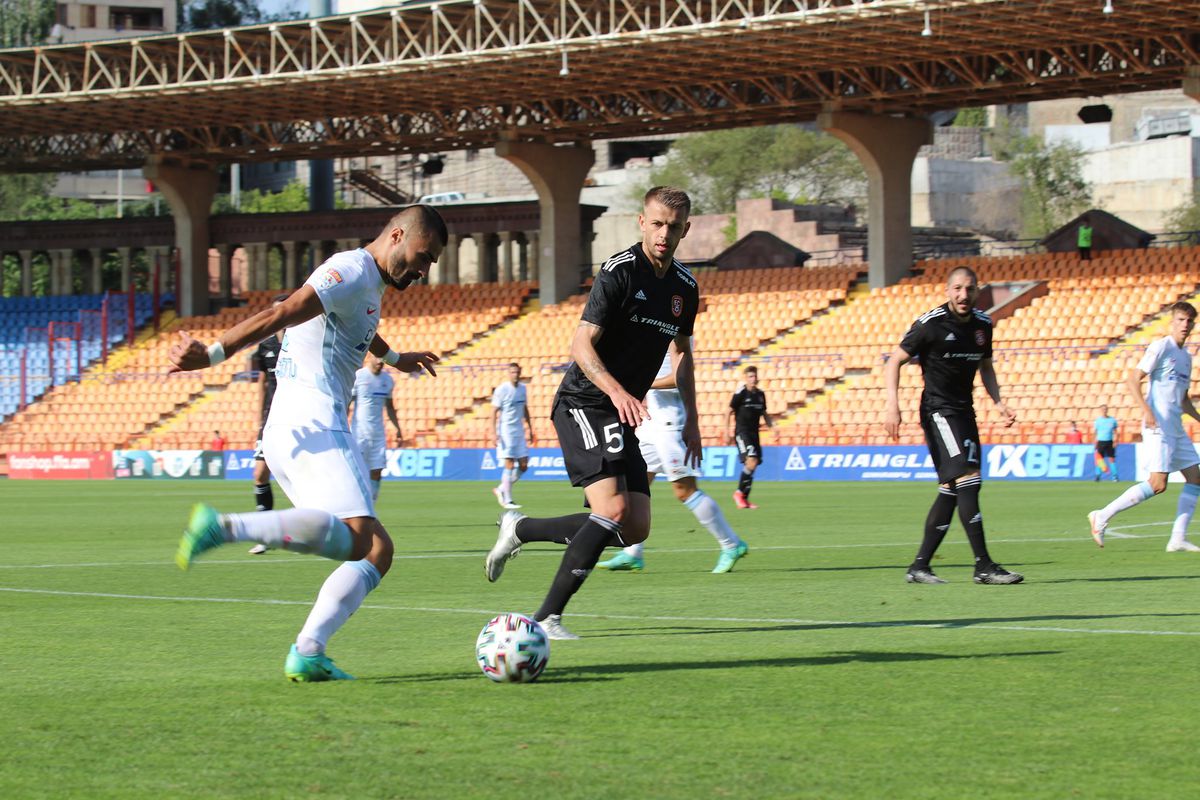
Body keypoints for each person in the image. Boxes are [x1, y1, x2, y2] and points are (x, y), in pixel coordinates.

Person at [169, 205, 447, 681]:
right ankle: (225, 527)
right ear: (397, 235)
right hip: (313, 419)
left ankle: (309, 651)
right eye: (424, 256)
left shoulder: (370, 285)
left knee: (378, 550)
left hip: (299, 425)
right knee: (359, 539)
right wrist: (212, 354)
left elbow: (362, 329)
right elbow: (282, 312)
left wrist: (397, 358)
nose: (424, 270)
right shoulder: (348, 270)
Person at [482, 186, 701, 640]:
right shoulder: (619, 272)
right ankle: (545, 619)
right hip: (586, 400)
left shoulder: (685, 287)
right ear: (642, 222)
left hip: (624, 410)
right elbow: (580, 345)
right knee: (613, 509)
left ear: (686, 230)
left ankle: (520, 527)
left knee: (633, 528)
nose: (664, 234)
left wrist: (693, 422)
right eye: (657, 223)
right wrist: (619, 392)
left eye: (674, 227)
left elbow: (683, 355)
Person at [884, 265, 1023, 585]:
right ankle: (983, 566)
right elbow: (894, 361)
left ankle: (919, 566)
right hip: (937, 411)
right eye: (957, 289)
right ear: (948, 291)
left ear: (977, 292)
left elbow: (985, 367)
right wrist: (893, 406)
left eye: (969, 289)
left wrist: (999, 403)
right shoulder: (929, 324)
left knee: (951, 488)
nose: (963, 295)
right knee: (969, 477)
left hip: (964, 411)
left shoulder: (983, 325)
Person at [597, 339, 749, 574]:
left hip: (671, 423)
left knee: (685, 491)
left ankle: (731, 544)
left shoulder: (676, 333)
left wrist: (643, 383)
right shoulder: (658, 324)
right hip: (651, 423)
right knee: (635, 485)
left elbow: (680, 379)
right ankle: (632, 553)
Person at [1088, 302, 1200, 552]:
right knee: (1158, 484)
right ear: (1172, 322)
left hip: (1176, 428)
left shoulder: (1186, 358)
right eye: (1180, 320)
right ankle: (1102, 515)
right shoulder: (1161, 347)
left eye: (1189, 321)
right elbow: (1132, 379)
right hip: (1158, 426)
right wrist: (1147, 411)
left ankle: (1178, 538)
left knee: (1195, 478)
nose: (1185, 325)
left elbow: (1182, 399)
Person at [247, 293, 289, 556]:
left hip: (298, 417)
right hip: (271, 419)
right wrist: (259, 418)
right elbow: (263, 383)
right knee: (260, 474)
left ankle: (312, 531)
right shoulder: (266, 346)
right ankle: (267, 535)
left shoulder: (303, 343)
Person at [348, 355, 402, 501]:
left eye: (382, 360)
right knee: (357, 471)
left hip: (378, 433)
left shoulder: (387, 380)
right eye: (377, 359)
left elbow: (390, 407)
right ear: (370, 357)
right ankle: (355, 507)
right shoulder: (359, 376)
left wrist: (398, 428)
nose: (380, 362)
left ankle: (370, 510)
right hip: (359, 433)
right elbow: (347, 403)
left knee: (377, 472)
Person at [491, 362, 535, 510]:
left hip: (519, 430)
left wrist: (530, 428)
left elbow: (525, 409)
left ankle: (501, 488)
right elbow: (493, 412)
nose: (515, 375)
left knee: (524, 465)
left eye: (517, 372)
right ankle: (507, 500)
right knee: (509, 463)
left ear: (520, 372)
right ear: (508, 373)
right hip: (505, 431)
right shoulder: (502, 389)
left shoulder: (523, 389)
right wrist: (493, 433)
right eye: (512, 372)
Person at [728, 365, 772, 509]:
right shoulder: (741, 393)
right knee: (751, 460)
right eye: (750, 376)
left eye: (754, 376)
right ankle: (739, 493)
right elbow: (728, 411)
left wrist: (773, 428)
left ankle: (744, 500)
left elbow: (764, 413)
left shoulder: (760, 395)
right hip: (742, 432)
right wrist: (727, 430)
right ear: (745, 378)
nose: (753, 379)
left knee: (753, 464)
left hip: (754, 434)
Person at [1093, 404, 1119, 481]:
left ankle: (1115, 476)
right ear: (1100, 411)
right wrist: (1095, 442)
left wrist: (1116, 441)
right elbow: (1095, 432)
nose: (1104, 410)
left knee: (1112, 459)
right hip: (1100, 441)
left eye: (1105, 409)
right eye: (1103, 409)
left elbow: (1115, 431)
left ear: (1107, 410)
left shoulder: (1112, 420)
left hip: (1109, 442)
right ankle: (1098, 475)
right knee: (1099, 460)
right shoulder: (1098, 421)